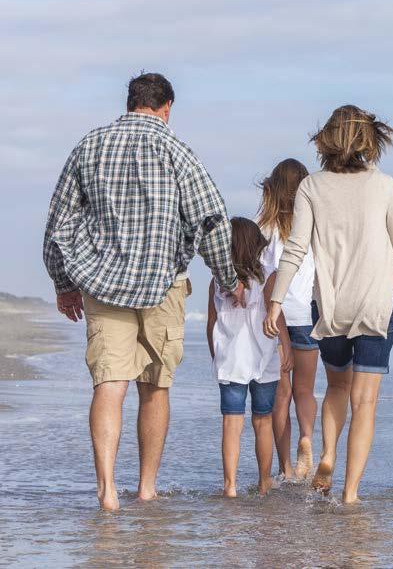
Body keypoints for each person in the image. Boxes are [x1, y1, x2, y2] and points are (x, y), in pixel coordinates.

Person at [42, 73, 244, 511]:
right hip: (163, 285)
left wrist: (63, 284)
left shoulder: (90, 145)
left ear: (131, 101)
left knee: (109, 384)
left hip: (101, 283)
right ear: (166, 107)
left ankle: (108, 492)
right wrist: (229, 279)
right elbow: (210, 220)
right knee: (155, 387)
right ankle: (147, 488)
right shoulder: (176, 150)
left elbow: (58, 223)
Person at [264, 105, 393, 504]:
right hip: (375, 305)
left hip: (329, 309)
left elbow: (295, 249)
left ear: (327, 138)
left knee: (336, 388)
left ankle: (327, 452)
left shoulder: (312, 186)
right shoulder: (384, 185)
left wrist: (276, 301)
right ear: (369, 140)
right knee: (365, 401)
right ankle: (349, 493)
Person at [207, 217, 293, 497]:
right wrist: (287, 347)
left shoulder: (218, 281)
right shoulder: (268, 277)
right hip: (264, 360)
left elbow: (211, 323)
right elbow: (277, 316)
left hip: (230, 362)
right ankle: (264, 481)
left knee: (232, 423)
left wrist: (215, 354)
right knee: (262, 421)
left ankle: (230, 485)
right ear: (256, 246)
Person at [257, 159, 320, 481]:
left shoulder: (263, 227)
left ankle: (285, 469)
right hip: (306, 315)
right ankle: (306, 436)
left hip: (273, 318)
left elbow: (257, 278)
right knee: (305, 390)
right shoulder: (313, 227)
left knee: (281, 395)